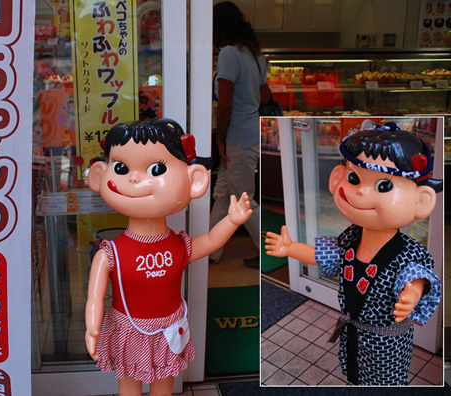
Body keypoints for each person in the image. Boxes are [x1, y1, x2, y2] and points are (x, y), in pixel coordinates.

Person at [85, 118, 252, 395]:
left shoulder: (178, 246)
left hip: (170, 329)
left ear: (194, 180)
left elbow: (210, 241)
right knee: (129, 385)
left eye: (156, 169)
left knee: (164, 384)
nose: (135, 178)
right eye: (121, 168)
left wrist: (231, 222)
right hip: (129, 331)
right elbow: (95, 297)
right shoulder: (109, 254)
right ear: (99, 174)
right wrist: (93, 326)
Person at [265, 125, 442, 385]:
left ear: (421, 200)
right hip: (354, 333)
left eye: (383, 186)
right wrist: (291, 248)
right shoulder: (351, 236)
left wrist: (411, 295)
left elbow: (416, 277)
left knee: (384, 383)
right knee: (356, 375)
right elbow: (327, 256)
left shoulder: (409, 251)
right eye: (354, 178)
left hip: (387, 342)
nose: (360, 192)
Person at [209, 1, 271, 266]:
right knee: (223, 194)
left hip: (236, 138)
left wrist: (220, 140)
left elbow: (224, 106)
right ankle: (211, 251)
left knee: (245, 200)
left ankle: (268, 252)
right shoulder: (253, 53)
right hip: (251, 133)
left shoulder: (229, 54)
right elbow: (265, 96)